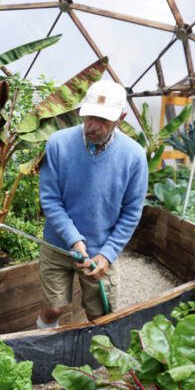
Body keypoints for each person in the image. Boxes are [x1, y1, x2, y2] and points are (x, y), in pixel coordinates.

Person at [36, 80, 148, 328]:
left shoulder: (134, 156)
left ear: (121, 117)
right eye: (89, 117)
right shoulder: (58, 143)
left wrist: (107, 256)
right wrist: (74, 239)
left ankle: (99, 366)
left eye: (103, 120)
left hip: (100, 250)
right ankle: (41, 354)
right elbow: (50, 199)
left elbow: (131, 213)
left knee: (100, 317)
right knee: (53, 308)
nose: (92, 127)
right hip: (57, 244)